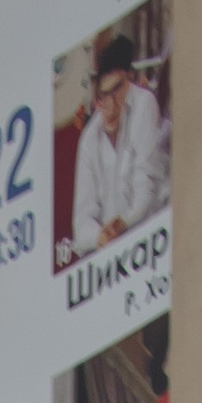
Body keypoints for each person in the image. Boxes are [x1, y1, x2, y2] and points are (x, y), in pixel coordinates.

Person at [69, 32, 170, 256]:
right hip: (113, 255)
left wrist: (122, 223)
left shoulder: (143, 104)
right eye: (104, 95)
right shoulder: (89, 140)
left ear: (129, 81)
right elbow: (82, 223)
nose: (111, 105)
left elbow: (146, 188)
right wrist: (100, 236)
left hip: (152, 239)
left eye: (118, 89)